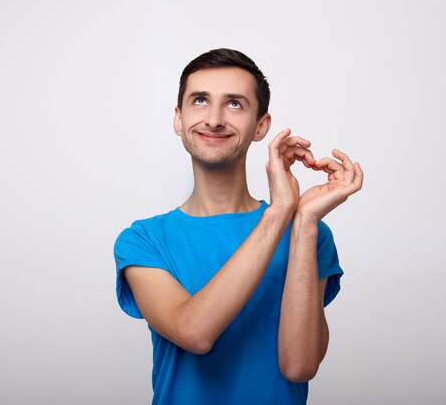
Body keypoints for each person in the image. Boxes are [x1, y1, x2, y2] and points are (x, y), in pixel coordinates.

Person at [114, 48, 363, 405]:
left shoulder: (307, 233)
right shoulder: (143, 240)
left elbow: (300, 366)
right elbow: (194, 332)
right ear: (179, 119)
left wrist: (304, 221)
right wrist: (279, 213)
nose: (214, 119)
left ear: (261, 125)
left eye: (234, 104)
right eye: (200, 100)